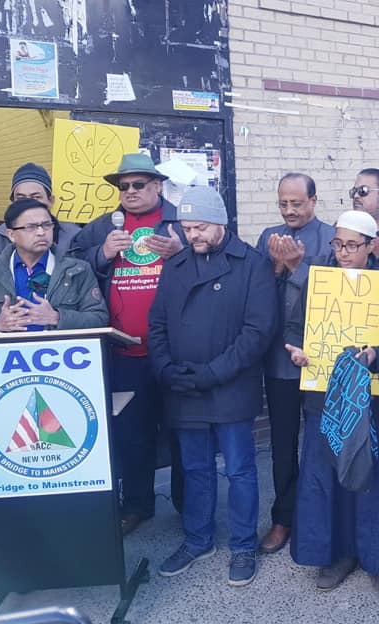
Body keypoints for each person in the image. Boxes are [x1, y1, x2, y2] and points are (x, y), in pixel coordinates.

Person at [149, 186, 277, 586]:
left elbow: (257, 332)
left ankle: (243, 546)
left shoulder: (252, 265)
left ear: (220, 222)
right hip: (184, 386)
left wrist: (213, 373)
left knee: (239, 470)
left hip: (229, 387)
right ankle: (197, 539)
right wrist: (164, 368)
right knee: (195, 468)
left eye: (200, 227)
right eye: (187, 228)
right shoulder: (176, 266)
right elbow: (157, 323)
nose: (193, 236)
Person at [284, 209, 379, 593]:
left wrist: (376, 356)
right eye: (338, 244)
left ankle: (376, 560)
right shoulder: (319, 282)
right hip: (325, 398)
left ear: (371, 246)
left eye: (352, 245)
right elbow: (295, 328)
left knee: (373, 479)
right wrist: (298, 350)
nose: (343, 252)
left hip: (375, 399)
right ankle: (336, 555)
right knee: (325, 477)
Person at [70, 152, 185, 535]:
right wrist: (102, 253)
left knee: (182, 432)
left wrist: (181, 254)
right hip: (124, 353)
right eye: (124, 187)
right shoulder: (103, 226)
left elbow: (214, 264)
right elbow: (69, 267)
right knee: (131, 435)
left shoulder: (181, 222)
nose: (130, 192)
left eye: (138, 185)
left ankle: (189, 506)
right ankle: (137, 505)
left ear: (157, 186)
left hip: (175, 352)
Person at [255, 173, 336, 554]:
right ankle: (283, 517)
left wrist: (297, 267)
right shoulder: (268, 237)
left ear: (314, 201)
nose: (289, 211)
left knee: (322, 441)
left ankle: (321, 514)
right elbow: (255, 291)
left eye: (297, 203)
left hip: (320, 357)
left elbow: (334, 293)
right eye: (283, 203)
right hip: (279, 357)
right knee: (283, 442)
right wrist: (275, 267)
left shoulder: (332, 238)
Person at [0, 199, 108, 333]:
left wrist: (57, 317)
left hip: (59, 353)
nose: (41, 232)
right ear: (11, 235)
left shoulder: (78, 270)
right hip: (8, 354)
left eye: (47, 225)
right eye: (31, 227)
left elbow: (99, 319)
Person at [0, 162, 80, 259]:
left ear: (51, 201)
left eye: (36, 197)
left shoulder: (73, 236)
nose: (28, 204)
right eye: (21, 198)